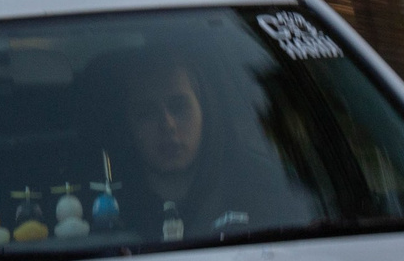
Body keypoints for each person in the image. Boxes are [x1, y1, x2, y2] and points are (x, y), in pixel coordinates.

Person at [79, 44, 267, 238]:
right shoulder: (98, 212)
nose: (167, 125)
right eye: (147, 113)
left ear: (205, 111)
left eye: (178, 107)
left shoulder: (261, 194)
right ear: (128, 126)